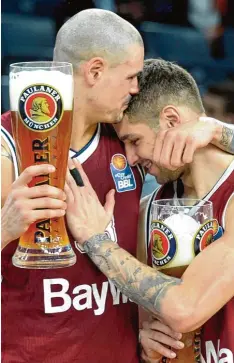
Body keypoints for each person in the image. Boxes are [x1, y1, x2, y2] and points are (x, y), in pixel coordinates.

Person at [1, 9, 234, 362]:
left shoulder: (132, 144)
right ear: (95, 71)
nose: (136, 87)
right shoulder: (11, 147)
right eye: (131, 76)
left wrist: (215, 129)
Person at [62, 59, 234, 363]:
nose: (129, 159)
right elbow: (153, 320)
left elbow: (184, 309)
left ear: (170, 120)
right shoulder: (150, 210)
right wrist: (149, 347)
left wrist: (96, 240)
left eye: (134, 140)